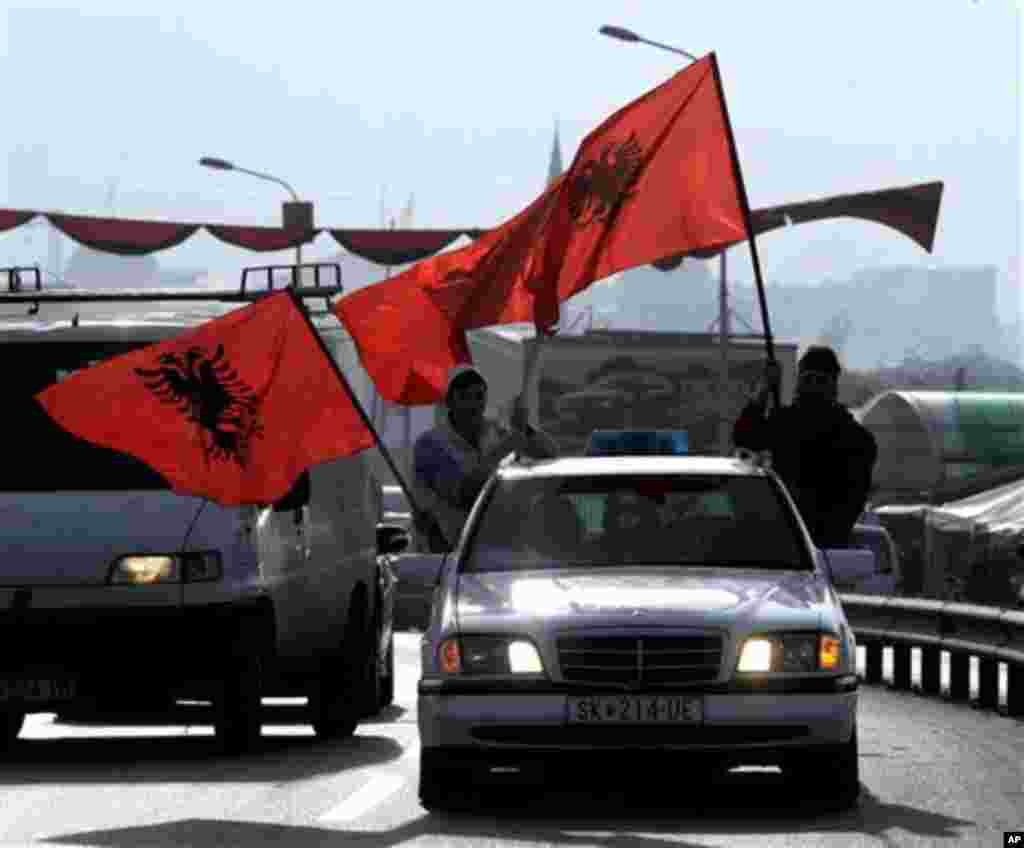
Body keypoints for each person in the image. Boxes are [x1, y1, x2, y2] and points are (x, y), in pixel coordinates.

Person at [732, 345, 878, 549]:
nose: (811, 387)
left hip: (796, 543)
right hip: (813, 544)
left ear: (832, 385)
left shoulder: (787, 425)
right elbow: (744, 437)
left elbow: (744, 436)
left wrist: (764, 390)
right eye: (808, 380)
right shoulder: (858, 438)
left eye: (818, 380)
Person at [413, 365, 559, 553]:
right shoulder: (430, 445)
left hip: (503, 548)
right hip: (449, 554)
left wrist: (525, 428)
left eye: (479, 396)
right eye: (464, 397)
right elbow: (463, 494)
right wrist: (504, 449)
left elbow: (550, 456)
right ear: (449, 402)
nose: (473, 404)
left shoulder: (496, 432)